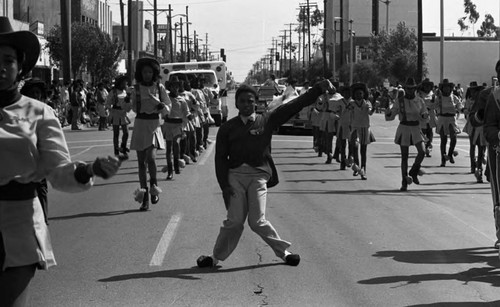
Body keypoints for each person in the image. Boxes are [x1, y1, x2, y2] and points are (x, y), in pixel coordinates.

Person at [0, 17, 120, 306]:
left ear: (20, 68)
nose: (1, 67)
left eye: (8, 60)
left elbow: (60, 171)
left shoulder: (40, 113)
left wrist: (89, 169)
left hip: (18, 225)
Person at [196, 80, 334, 268]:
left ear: (256, 103)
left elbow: (294, 105)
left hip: (258, 176)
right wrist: (225, 186)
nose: (246, 104)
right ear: (236, 104)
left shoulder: (266, 120)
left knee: (257, 221)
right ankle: (215, 258)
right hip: (235, 177)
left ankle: (284, 253)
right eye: (242, 101)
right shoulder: (227, 128)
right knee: (234, 222)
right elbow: (220, 158)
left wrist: (317, 89)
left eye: (250, 101)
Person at [130, 57, 170, 211]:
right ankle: (144, 197)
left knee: (151, 159)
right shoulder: (136, 89)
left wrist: (161, 106)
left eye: (149, 72)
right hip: (140, 124)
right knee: (141, 163)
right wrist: (127, 100)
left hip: (153, 125)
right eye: (144, 72)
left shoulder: (159, 88)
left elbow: (168, 106)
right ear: (140, 73)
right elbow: (132, 108)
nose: (147, 74)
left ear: (154, 73)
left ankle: (154, 187)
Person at [385, 78, 429, 191]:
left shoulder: (420, 100)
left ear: (415, 89)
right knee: (404, 157)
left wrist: (424, 116)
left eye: (412, 88)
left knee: (422, 151)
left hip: (416, 128)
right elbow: (391, 116)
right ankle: (404, 181)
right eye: (408, 89)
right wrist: (388, 111)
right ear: (405, 89)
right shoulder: (399, 101)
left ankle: (413, 171)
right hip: (404, 128)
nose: (410, 91)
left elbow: (425, 114)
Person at [482, 59, 500, 249]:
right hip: (498, 152)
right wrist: (498, 135)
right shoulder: (493, 96)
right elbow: (488, 127)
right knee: (499, 196)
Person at [162, 80, 191, 180]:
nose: (175, 89)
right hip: (168, 125)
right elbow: (163, 111)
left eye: (176, 87)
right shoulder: (166, 99)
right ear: (169, 88)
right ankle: (170, 171)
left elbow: (186, 112)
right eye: (173, 86)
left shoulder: (182, 100)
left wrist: (190, 116)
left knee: (176, 144)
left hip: (178, 126)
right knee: (168, 149)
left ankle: (176, 164)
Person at [348, 82, 376, 180]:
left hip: (364, 127)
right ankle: (357, 167)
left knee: (363, 150)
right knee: (355, 146)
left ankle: (363, 170)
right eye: (357, 93)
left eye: (360, 93)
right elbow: (348, 112)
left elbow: (370, 112)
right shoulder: (351, 103)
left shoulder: (367, 103)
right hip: (355, 127)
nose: (358, 95)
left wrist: (374, 107)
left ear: (364, 94)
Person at [435, 78, 463, 167]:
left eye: (448, 87)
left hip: (452, 119)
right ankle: (443, 159)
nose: (446, 89)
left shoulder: (454, 97)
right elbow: (432, 106)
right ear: (442, 88)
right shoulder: (438, 98)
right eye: (444, 87)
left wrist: (462, 109)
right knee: (443, 140)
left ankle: (450, 155)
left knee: (453, 138)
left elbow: (459, 105)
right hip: (442, 119)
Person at [462, 81, 486, 182]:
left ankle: (479, 168)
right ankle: (473, 165)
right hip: (472, 125)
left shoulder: (484, 101)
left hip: (482, 126)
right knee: (472, 146)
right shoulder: (469, 100)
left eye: (474, 90)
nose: (473, 93)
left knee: (481, 148)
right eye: (471, 90)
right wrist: (466, 111)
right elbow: (465, 110)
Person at [106, 75, 132, 158]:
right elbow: (107, 103)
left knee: (126, 132)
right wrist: (111, 109)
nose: (126, 83)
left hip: (123, 113)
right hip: (116, 113)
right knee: (116, 133)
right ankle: (116, 150)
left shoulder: (126, 92)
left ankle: (123, 146)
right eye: (124, 82)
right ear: (120, 83)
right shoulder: (113, 92)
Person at [418, 78, 437, 157]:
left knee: (430, 130)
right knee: (423, 131)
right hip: (422, 114)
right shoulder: (419, 94)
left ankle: (428, 146)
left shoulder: (433, 94)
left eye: (428, 86)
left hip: (431, 114)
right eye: (425, 86)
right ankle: (423, 147)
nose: (427, 87)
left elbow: (436, 103)